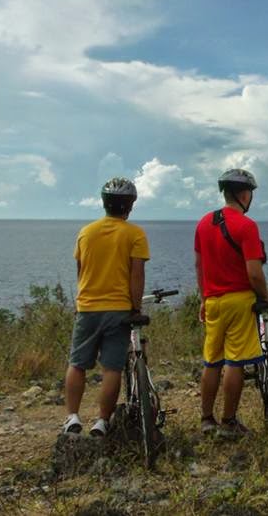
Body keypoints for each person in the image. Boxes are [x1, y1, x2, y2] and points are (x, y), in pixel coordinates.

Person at [63, 177, 149, 436]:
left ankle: (72, 417)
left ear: (104, 203)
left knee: (77, 363)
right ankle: (102, 420)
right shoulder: (135, 234)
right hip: (119, 310)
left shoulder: (86, 232)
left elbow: (81, 271)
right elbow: (136, 276)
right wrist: (135, 308)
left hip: (88, 307)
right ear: (130, 206)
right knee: (112, 367)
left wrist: (84, 300)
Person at [194, 168, 268, 438]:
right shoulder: (247, 226)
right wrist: (266, 296)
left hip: (213, 300)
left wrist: (204, 298)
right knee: (235, 363)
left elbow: (199, 265)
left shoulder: (203, 223)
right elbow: (253, 272)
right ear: (243, 194)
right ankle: (228, 422)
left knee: (212, 362)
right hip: (239, 300)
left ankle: (206, 419)